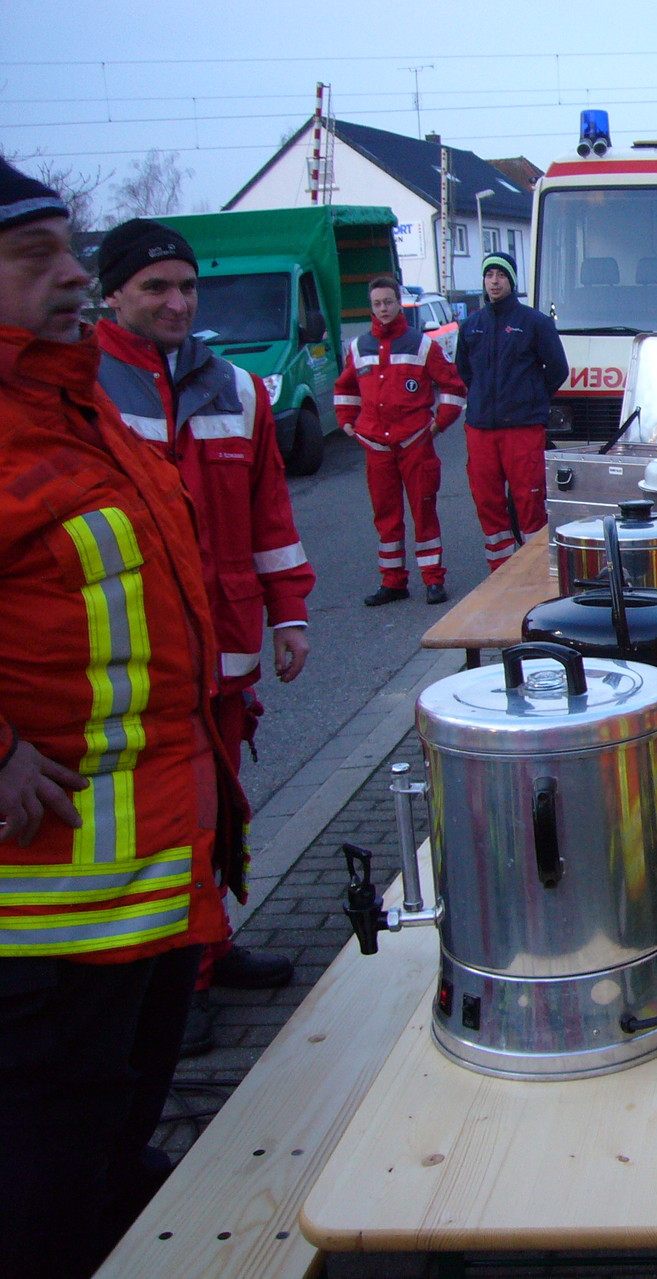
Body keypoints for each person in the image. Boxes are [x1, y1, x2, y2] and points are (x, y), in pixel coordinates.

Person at [0, 160, 247, 1279]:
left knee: (114, 1127)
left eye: (68, 250)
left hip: (148, 871)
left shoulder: (70, 397)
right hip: (52, 907)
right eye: (33, 257)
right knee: (46, 1157)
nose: (67, 276)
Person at [94, 218, 313, 1053]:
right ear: (113, 293)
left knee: (219, 807)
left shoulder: (239, 390)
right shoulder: (88, 390)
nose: (178, 302)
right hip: (132, 662)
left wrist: (289, 613)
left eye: (187, 287)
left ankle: (209, 947)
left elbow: (269, 516)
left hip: (223, 649)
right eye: (156, 287)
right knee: (159, 826)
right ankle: (171, 983)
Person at [333, 274, 465, 606]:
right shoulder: (358, 347)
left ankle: (433, 579)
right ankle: (393, 582)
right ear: (371, 307)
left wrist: (438, 426)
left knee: (424, 511)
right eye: (377, 304)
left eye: (388, 302)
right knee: (386, 515)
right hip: (377, 447)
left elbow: (453, 387)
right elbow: (345, 388)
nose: (383, 309)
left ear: (398, 302)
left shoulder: (422, 345)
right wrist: (347, 423)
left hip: (415, 444)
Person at [455, 250, 567, 572]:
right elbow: (464, 371)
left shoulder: (534, 323)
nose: (494, 281)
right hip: (481, 430)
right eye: (489, 275)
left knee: (529, 502)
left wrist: (530, 398)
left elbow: (557, 369)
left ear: (512, 280)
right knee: (488, 503)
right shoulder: (471, 326)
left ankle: (534, 571)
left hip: (522, 429)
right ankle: (500, 574)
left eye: (501, 275)